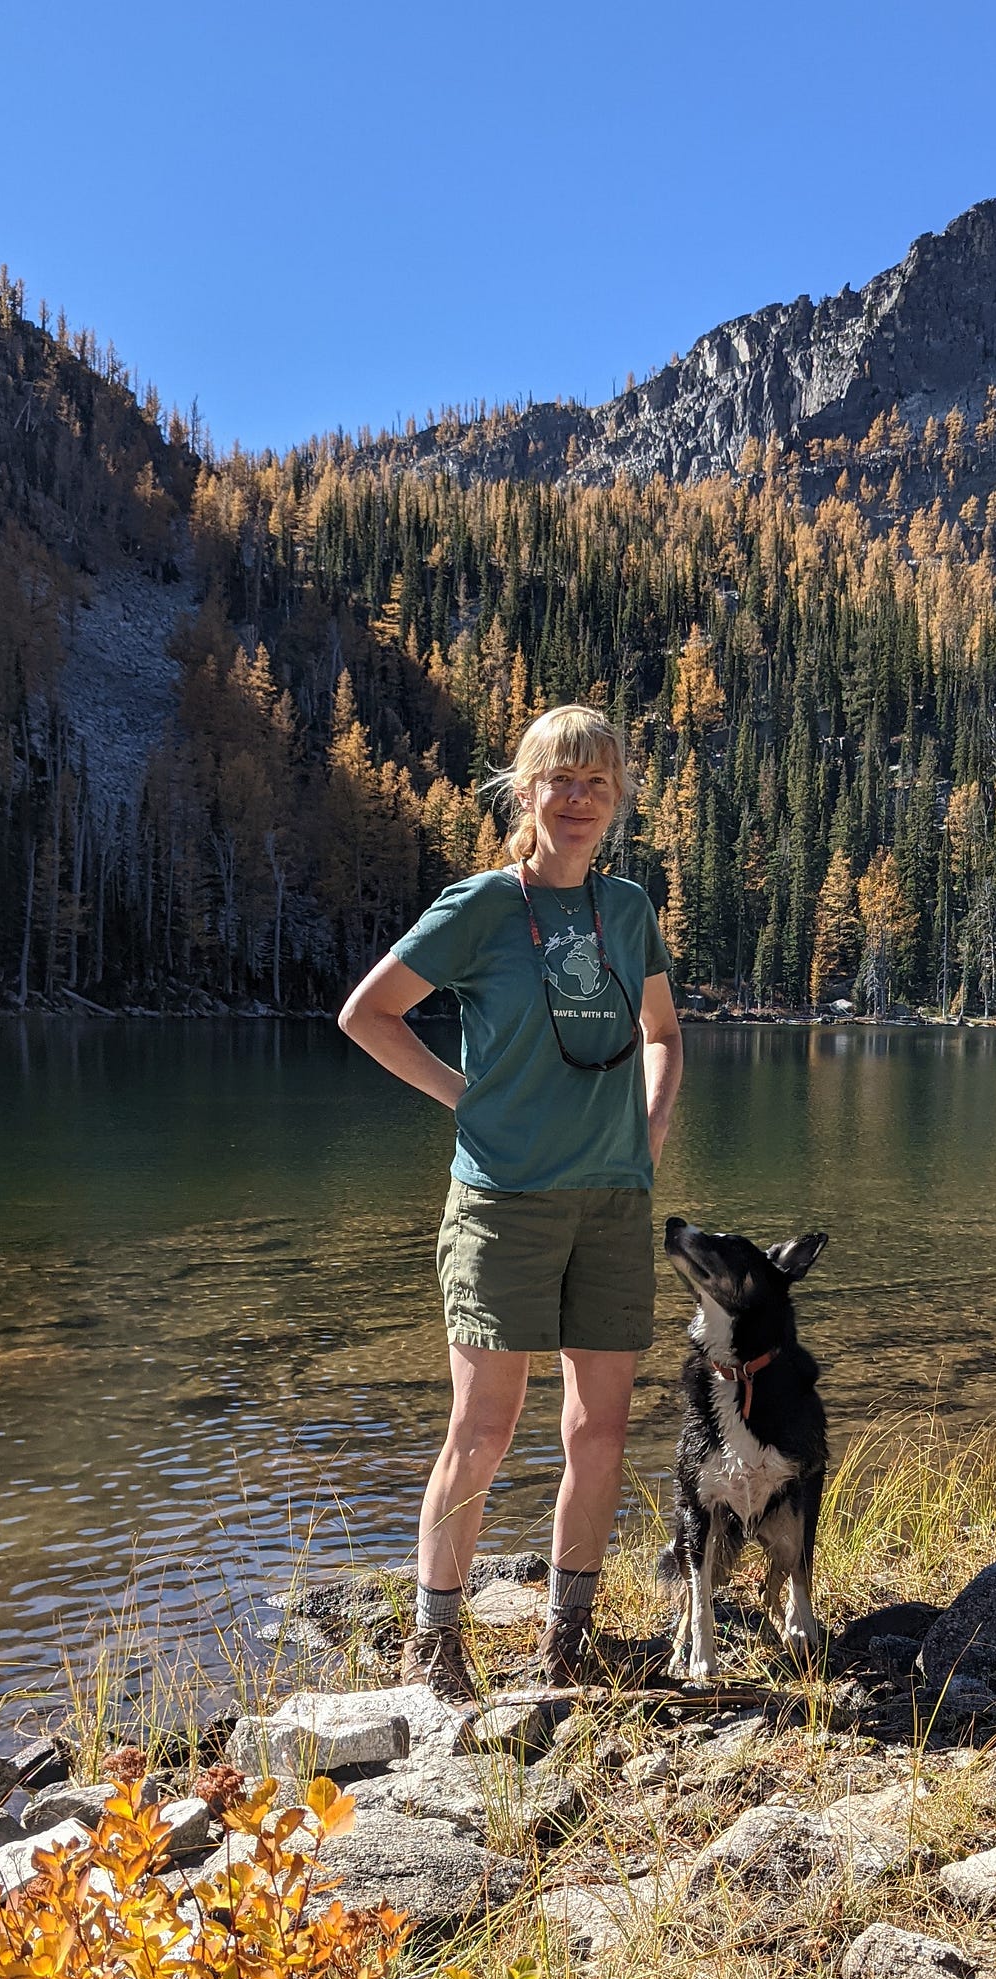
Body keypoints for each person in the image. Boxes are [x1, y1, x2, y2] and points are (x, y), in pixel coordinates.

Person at [338, 705, 683, 1700]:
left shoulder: (625, 910)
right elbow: (369, 1014)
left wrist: (649, 1130)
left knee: (599, 1431)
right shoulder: (483, 904)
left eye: (596, 784)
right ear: (523, 792)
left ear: (615, 802)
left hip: (610, 1203)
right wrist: (463, 1094)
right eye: (558, 781)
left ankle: (566, 1640)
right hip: (500, 1202)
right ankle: (436, 1643)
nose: (576, 800)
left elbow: (663, 1032)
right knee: (482, 1427)